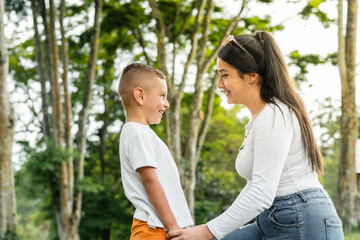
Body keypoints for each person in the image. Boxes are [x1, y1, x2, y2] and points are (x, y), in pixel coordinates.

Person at [167, 31, 344, 240]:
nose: (219, 85)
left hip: (301, 219)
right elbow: (254, 187)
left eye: (225, 75)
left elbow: (261, 193)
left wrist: (206, 232)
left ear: (251, 75)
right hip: (274, 218)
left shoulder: (275, 115)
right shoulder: (262, 118)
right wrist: (209, 230)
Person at [118, 63, 193, 239]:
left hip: (161, 228)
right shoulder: (137, 133)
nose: (166, 104)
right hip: (154, 230)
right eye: (162, 95)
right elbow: (150, 181)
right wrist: (173, 226)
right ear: (140, 95)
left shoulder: (142, 133)